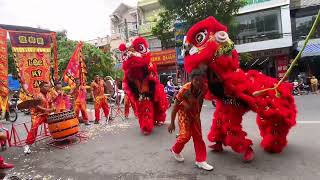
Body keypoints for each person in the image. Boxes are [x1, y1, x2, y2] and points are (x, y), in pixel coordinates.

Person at [168, 69, 214, 171]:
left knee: (198, 136)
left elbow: (201, 100)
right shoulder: (185, 89)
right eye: (196, 80)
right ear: (191, 79)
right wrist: (172, 123)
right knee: (185, 135)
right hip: (183, 113)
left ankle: (200, 160)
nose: (198, 83)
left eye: (201, 81)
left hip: (195, 113)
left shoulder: (204, 87)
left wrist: (198, 114)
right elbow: (175, 107)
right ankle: (175, 150)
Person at [24, 82, 55, 154]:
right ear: (41, 87)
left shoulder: (48, 94)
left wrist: (53, 107)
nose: (47, 88)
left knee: (56, 120)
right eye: (46, 86)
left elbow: (51, 102)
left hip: (46, 114)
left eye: (48, 86)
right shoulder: (38, 95)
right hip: (38, 114)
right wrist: (46, 110)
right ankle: (27, 145)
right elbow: (36, 106)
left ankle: (58, 136)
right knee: (34, 127)